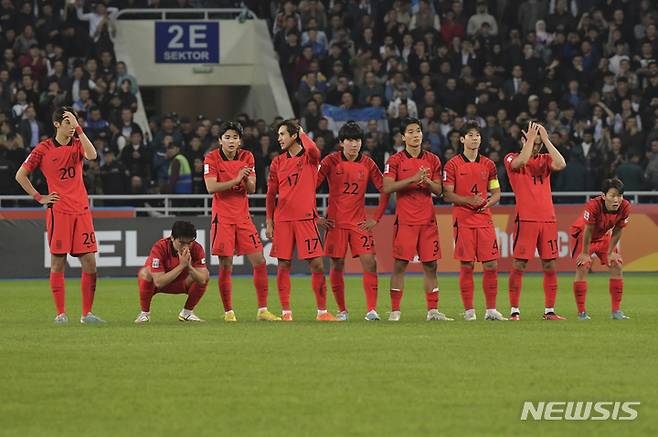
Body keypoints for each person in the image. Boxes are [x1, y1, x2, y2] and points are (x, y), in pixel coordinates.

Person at [15, 107, 104, 324]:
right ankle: (61, 314)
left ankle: (87, 314)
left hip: (82, 210)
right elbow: (20, 175)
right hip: (60, 212)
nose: (72, 127)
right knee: (58, 263)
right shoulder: (43, 149)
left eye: (74, 122)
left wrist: (80, 128)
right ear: (56, 124)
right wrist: (40, 197)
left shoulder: (77, 144)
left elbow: (93, 156)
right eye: (68, 123)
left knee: (90, 263)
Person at [204, 121, 280, 322]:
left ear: (240, 140)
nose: (231, 141)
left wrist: (245, 180)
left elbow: (252, 188)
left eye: (235, 137)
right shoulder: (211, 158)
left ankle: (262, 310)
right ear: (220, 140)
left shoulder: (247, 156)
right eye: (227, 137)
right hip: (223, 218)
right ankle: (229, 312)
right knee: (226, 265)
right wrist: (237, 178)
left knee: (260, 262)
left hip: (243, 218)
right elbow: (211, 187)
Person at [316, 121, 389, 321]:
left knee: (370, 263)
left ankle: (372, 310)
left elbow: (385, 189)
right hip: (336, 223)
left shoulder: (368, 163)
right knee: (337, 265)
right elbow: (309, 186)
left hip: (359, 223)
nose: (354, 144)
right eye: (349, 140)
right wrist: (314, 216)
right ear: (341, 142)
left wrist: (377, 218)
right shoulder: (330, 161)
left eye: (357, 140)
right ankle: (342, 311)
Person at [266, 119, 337, 321]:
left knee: (317, 266)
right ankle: (286, 313)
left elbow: (315, 149)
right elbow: (271, 195)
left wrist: (302, 132)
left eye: (282, 134)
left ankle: (322, 312)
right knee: (283, 265)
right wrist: (270, 222)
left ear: (294, 136)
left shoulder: (310, 158)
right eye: (278, 135)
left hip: (306, 220)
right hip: (283, 221)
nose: (279, 138)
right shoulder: (277, 162)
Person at [382, 117, 452, 321]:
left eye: (418, 131)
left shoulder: (433, 159)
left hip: (428, 221)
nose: (415, 135)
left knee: (431, 265)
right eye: (410, 131)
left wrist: (427, 181)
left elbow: (440, 191)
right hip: (405, 221)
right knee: (400, 265)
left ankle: (433, 311)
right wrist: (412, 179)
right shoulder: (395, 161)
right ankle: (395, 311)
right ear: (403, 137)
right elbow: (387, 187)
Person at [504, 121, 567, 321]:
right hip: (526, 219)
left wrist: (547, 139)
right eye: (534, 140)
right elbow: (519, 163)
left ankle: (549, 311)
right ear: (524, 139)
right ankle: (514, 310)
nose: (537, 144)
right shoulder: (512, 157)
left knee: (549, 265)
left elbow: (561, 164)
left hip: (548, 219)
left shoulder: (545, 159)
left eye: (539, 140)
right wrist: (530, 140)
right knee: (519, 264)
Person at [443, 121, 506, 321]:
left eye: (477, 135)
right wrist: (469, 201)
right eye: (470, 135)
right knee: (467, 265)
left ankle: (491, 310)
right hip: (463, 220)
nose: (474, 138)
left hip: (484, 219)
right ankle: (470, 311)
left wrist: (489, 203)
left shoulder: (488, 164)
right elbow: (447, 195)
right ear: (462, 139)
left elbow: (496, 192)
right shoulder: (452, 164)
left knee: (491, 265)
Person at [570, 178, 631, 320]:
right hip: (584, 236)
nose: (617, 199)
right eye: (613, 195)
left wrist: (610, 252)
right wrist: (585, 253)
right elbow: (588, 230)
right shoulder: (593, 205)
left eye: (620, 195)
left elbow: (618, 229)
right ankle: (582, 313)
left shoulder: (625, 206)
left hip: (604, 237)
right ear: (604, 196)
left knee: (617, 265)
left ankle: (616, 312)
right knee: (583, 267)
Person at [135, 221, 209, 323]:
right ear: (172, 238)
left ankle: (187, 313)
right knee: (145, 273)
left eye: (189, 243)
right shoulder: (160, 247)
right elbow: (159, 282)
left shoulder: (197, 248)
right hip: (158, 285)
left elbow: (202, 280)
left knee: (205, 275)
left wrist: (189, 267)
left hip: (181, 283)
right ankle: (144, 314)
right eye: (182, 243)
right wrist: (182, 265)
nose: (186, 247)